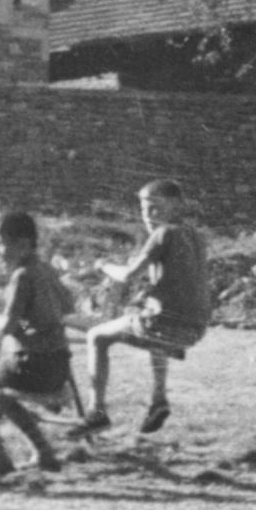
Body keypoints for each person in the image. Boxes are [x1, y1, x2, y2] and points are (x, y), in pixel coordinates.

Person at [82, 178, 212, 436]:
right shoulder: (196, 236)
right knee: (151, 319)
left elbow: (129, 275)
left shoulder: (162, 234)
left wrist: (103, 266)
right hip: (195, 328)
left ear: (176, 206)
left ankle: (96, 411)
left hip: (166, 325)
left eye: (156, 208)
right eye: (144, 210)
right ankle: (158, 399)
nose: (149, 216)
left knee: (95, 337)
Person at [0, 211, 74, 477]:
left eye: (2, 243)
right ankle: (44, 453)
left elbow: (11, 326)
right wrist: (26, 321)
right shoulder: (47, 269)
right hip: (59, 363)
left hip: (34, 364)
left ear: (23, 244)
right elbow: (66, 307)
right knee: (0, 398)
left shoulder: (22, 275)